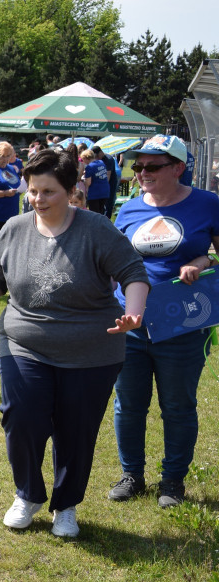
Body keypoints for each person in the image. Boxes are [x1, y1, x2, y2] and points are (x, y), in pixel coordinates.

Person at [0, 148, 149, 537]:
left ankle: (66, 505)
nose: (38, 199)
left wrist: (133, 314)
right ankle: (28, 494)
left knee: (75, 429)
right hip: (23, 340)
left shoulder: (96, 229)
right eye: (33, 191)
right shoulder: (15, 228)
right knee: (21, 416)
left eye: (49, 192)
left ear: (71, 191)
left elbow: (134, 273)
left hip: (92, 350)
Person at [108, 135, 219, 508]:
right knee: (128, 402)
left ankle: (172, 481)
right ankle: (131, 475)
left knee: (177, 405)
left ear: (178, 168)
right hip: (130, 322)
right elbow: (111, 264)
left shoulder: (208, 204)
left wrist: (203, 263)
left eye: (151, 166)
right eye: (137, 166)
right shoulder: (127, 210)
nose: (141, 173)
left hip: (183, 324)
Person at [81, 149, 110, 215]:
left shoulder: (89, 167)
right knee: (101, 212)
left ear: (85, 158)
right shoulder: (101, 162)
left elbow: (88, 183)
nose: (83, 162)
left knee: (94, 214)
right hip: (105, 191)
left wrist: (84, 180)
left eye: (83, 159)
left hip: (95, 193)